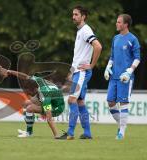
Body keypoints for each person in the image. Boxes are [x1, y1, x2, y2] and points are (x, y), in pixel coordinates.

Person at [56, 5, 102, 140]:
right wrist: (71, 72)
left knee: (71, 100)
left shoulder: (86, 30)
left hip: (82, 73)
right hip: (77, 72)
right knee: (80, 101)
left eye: (76, 14)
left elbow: (98, 46)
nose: (73, 17)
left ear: (83, 17)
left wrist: (91, 65)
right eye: (73, 14)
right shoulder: (80, 31)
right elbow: (78, 57)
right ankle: (87, 133)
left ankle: (70, 133)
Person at [104, 14, 140, 140]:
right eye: (117, 22)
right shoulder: (115, 38)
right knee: (110, 102)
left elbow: (137, 58)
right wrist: (108, 67)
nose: (116, 24)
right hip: (114, 76)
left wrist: (130, 71)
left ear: (126, 24)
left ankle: (121, 132)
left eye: (119, 22)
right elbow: (112, 56)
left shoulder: (133, 39)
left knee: (123, 103)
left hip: (125, 77)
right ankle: (121, 124)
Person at [7, 70, 65, 138]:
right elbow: (25, 76)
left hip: (57, 108)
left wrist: (56, 135)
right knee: (26, 103)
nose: (28, 94)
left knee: (30, 108)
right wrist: (10, 72)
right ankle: (29, 130)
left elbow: (49, 116)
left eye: (29, 93)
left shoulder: (44, 94)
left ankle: (29, 133)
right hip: (52, 99)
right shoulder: (35, 80)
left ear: (34, 89)